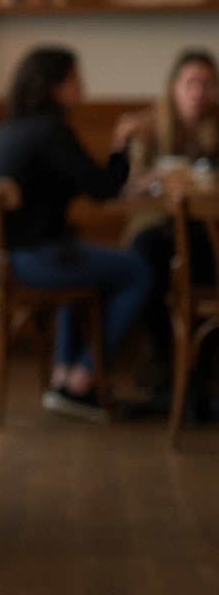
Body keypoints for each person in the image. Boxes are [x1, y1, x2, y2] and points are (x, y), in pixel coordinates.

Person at [0, 45, 151, 422]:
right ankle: (82, 377)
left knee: (79, 268)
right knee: (138, 269)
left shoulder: (7, 130)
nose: (82, 89)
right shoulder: (50, 130)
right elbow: (103, 188)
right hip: (27, 262)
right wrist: (121, 141)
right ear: (54, 86)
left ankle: (64, 380)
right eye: (75, 79)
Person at [116, 48, 219, 406]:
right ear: (174, 87)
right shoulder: (148, 126)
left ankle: (201, 372)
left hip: (206, 229)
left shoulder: (215, 129)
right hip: (155, 225)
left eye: (207, 83)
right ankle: (166, 365)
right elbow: (123, 187)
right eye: (191, 82)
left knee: (204, 260)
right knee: (146, 261)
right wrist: (150, 178)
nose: (198, 92)